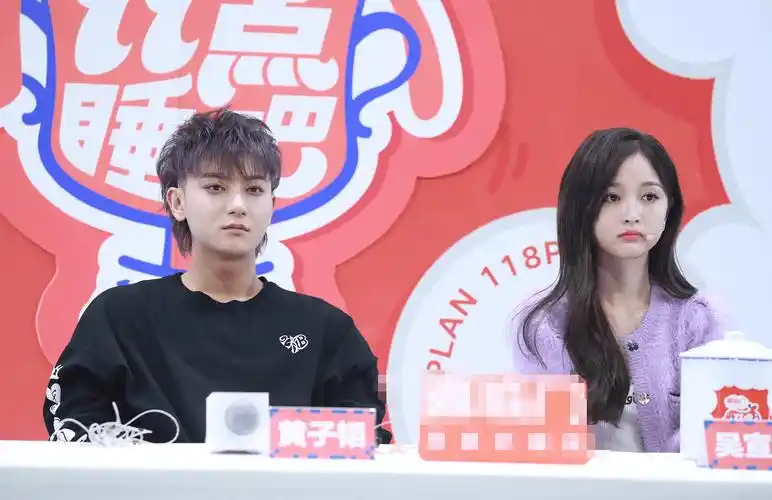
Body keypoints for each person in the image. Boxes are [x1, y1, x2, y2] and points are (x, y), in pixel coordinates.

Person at [44, 108, 391, 445]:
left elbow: (364, 439)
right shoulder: (119, 318)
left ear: (272, 204)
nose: (238, 204)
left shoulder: (326, 330)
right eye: (215, 187)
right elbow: (75, 426)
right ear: (177, 202)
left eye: (254, 190)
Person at [512, 127, 723, 453]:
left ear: (670, 207)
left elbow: (712, 439)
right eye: (611, 197)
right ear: (581, 208)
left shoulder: (698, 320)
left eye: (649, 197)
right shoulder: (544, 324)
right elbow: (541, 446)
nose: (632, 215)